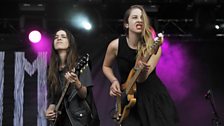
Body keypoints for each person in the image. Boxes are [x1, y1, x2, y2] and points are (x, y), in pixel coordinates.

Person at [102, 5, 179, 126]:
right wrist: (114, 81)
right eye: (134, 17)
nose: (139, 20)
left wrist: (142, 69)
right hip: (128, 99)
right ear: (126, 24)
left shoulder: (153, 47)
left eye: (142, 18)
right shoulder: (115, 45)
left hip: (152, 98)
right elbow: (106, 66)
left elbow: (142, 79)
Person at [45, 28, 99, 126]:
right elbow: (54, 98)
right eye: (56, 37)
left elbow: (84, 95)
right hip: (60, 120)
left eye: (63, 36)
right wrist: (51, 109)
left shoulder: (80, 64)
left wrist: (77, 83)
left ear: (70, 43)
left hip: (78, 119)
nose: (59, 39)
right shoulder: (52, 69)